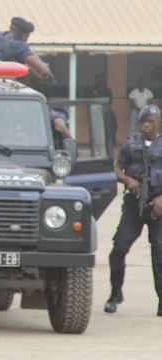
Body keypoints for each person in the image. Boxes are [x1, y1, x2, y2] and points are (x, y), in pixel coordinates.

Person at [104, 104, 162, 317]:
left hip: (158, 209)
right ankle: (115, 294)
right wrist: (128, 180)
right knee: (118, 249)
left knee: (160, 255)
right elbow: (117, 168)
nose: (146, 126)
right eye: (143, 122)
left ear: (158, 123)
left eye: (151, 122)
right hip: (133, 205)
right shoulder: (131, 144)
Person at [88, 72, 118, 145]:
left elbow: (110, 101)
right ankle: (94, 142)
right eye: (100, 78)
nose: (101, 79)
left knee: (113, 123)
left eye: (102, 78)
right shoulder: (92, 89)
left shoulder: (107, 90)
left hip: (105, 110)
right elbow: (89, 101)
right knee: (95, 127)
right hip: (95, 111)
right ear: (97, 79)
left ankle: (112, 139)